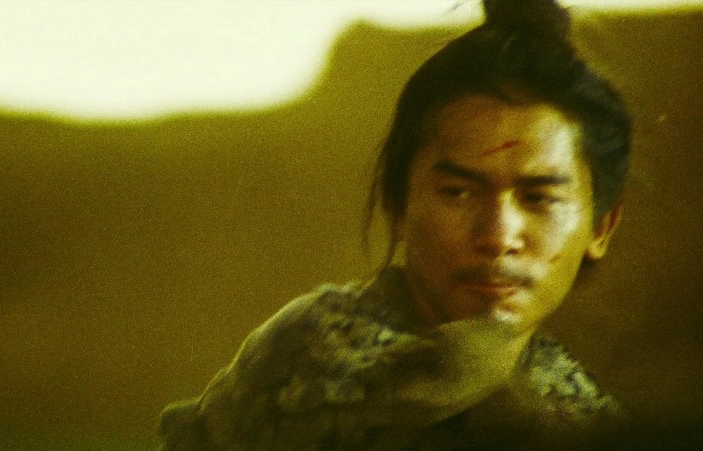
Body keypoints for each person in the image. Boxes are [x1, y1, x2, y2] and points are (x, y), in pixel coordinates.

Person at [158, 0, 630, 448]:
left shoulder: (584, 419)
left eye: (538, 198)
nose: (497, 236)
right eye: (458, 192)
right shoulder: (309, 364)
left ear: (600, 228)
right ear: (399, 205)